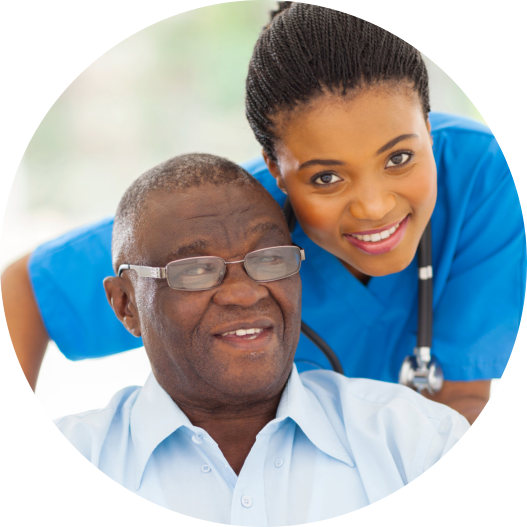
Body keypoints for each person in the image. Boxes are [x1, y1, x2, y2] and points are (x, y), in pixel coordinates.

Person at [3, 4, 525, 424]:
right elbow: (27, 291)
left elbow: (457, 399)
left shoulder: (485, 181)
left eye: (400, 158)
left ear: (428, 125)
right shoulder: (223, 222)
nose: (373, 206)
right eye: (326, 177)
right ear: (275, 170)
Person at [55, 153, 470, 520]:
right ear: (126, 304)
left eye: (270, 258)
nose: (244, 291)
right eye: (196, 269)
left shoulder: (417, 442)